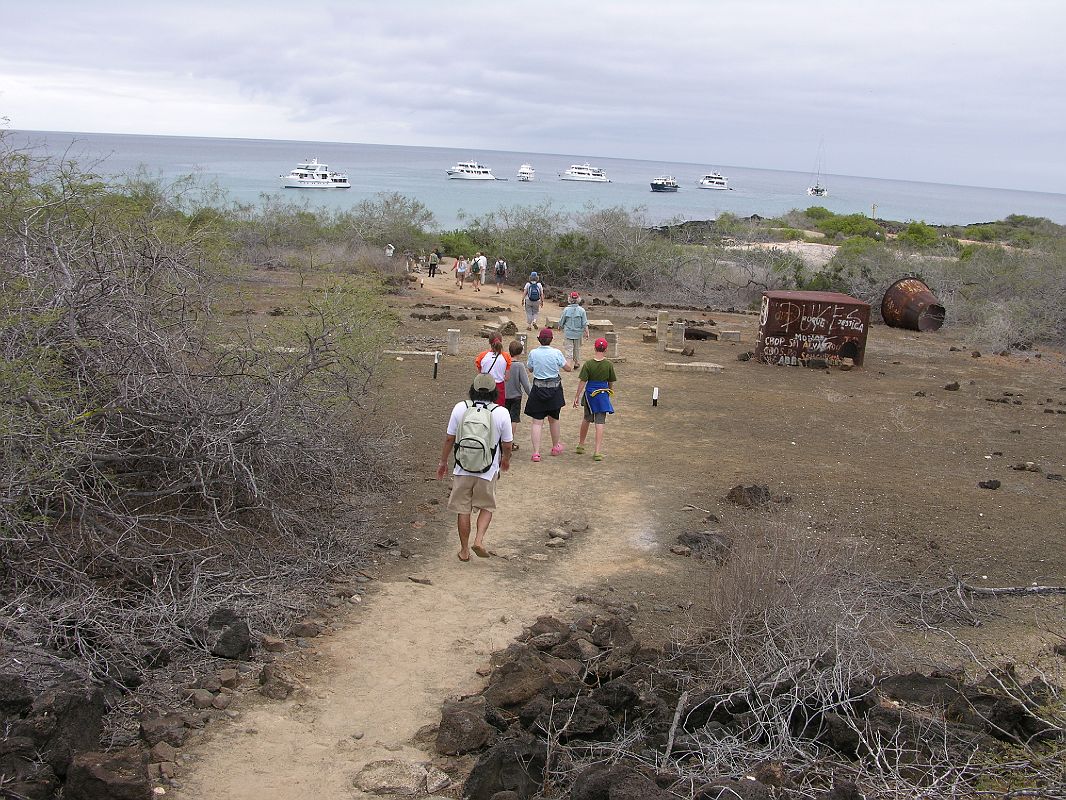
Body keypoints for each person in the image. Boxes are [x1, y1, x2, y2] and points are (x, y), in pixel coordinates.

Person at [437, 374, 513, 561]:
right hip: (487, 469)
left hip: (463, 467)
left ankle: (464, 550)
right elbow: (508, 444)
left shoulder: (460, 408)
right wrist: (505, 460)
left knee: (463, 509)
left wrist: (443, 462)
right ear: (494, 391)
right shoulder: (501, 412)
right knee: (487, 506)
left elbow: (449, 438)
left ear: (473, 388)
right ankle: (479, 540)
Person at [524, 327, 573, 461]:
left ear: (539, 339)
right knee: (554, 419)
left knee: (537, 422)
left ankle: (536, 453)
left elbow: (529, 368)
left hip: (538, 388)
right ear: (551, 340)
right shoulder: (556, 353)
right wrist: (569, 359)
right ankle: (555, 446)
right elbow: (568, 368)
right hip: (554, 389)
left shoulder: (533, 353)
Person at [572, 338, 617, 462]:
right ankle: (597, 452)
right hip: (602, 395)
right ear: (606, 349)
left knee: (586, 418)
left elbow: (582, 381)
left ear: (594, 348)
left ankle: (581, 445)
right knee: (600, 422)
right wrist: (609, 392)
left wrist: (577, 396)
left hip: (590, 395)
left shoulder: (588, 364)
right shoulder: (608, 365)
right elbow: (611, 381)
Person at [503, 339, 531, 451]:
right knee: (513, 419)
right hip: (516, 396)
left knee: (503, 419)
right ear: (520, 352)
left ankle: (501, 440)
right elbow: (525, 383)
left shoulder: (505, 363)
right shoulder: (519, 366)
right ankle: (510, 441)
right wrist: (531, 395)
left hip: (504, 395)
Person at [475, 335, 512, 405]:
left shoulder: (482, 356)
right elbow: (507, 378)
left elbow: (480, 373)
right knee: (498, 410)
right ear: (501, 342)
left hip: (484, 386)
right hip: (499, 387)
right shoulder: (506, 357)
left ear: (489, 343)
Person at [558, 291, 590, 365]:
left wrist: (560, 326)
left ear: (570, 299)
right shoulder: (582, 310)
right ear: (578, 299)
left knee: (568, 349)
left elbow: (562, 320)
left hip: (568, 332)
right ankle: (576, 363)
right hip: (578, 334)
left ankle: (568, 363)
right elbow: (585, 323)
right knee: (577, 349)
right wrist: (587, 332)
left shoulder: (566, 310)